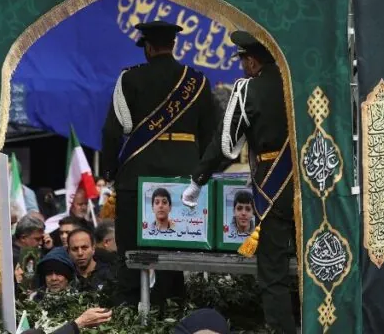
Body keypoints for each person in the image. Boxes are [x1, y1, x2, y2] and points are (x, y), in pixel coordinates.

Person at [100, 20, 218, 307]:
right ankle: (171, 306)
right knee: (174, 247)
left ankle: (128, 309)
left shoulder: (130, 79)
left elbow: (112, 131)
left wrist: (110, 170)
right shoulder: (198, 82)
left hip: (136, 175)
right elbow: (212, 135)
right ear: (173, 45)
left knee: (129, 251)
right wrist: (199, 170)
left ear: (148, 48)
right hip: (183, 177)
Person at [184, 30, 295, 333]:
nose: (242, 67)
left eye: (243, 60)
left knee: (273, 273)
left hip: (273, 188)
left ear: (252, 61)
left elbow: (225, 143)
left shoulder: (248, 90)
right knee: (317, 267)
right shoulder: (300, 83)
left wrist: (199, 179)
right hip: (310, 186)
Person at [67, 227, 111, 292]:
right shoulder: (68, 279)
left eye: (84, 248)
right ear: (68, 252)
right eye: (75, 249)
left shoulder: (110, 274)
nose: (80, 253)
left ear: (93, 249)